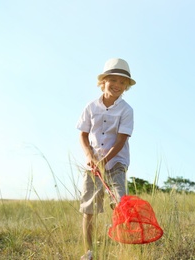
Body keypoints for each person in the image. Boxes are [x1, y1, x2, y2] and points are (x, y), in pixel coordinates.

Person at [76, 58, 136, 260]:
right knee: (89, 208)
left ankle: (119, 240)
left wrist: (105, 161)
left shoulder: (126, 110)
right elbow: (83, 134)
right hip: (93, 164)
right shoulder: (91, 107)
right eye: (113, 80)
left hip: (116, 162)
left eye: (122, 82)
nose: (117, 85)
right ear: (103, 82)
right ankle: (89, 251)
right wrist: (90, 156)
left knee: (120, 203)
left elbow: (121, 139)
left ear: (126, 86)